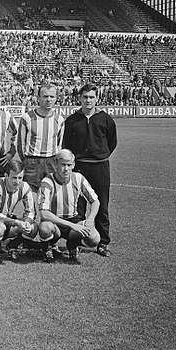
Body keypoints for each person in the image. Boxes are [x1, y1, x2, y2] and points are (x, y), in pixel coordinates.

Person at [63, 83, 117, 257]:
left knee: (101, 204)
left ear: (97, 98)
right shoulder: (72, 120)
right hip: (78, 167)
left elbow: (112, 142)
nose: (88, 100)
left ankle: (103, 243)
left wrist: (100, 154)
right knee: (77, 207)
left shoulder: (105, 119)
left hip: (100, 166)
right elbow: (66, 144)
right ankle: (74, 244)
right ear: (79, 98)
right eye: (85, 97)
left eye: (92, 97)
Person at [38, 149, 100, 265]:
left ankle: (73, 244)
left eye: (69, 165)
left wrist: (90, 219)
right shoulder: (47, 181)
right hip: (54, 222)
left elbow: (95, 201)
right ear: (56, 164)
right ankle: (48, 247)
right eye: (63, 164)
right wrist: (73, 226)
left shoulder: (78, 178)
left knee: (94, 239)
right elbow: (44, 213)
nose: (66, 168)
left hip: (73, 219)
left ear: (74, 165)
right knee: (45, 228)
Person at [0, 160, 38, 263]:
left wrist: (26, 223)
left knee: (33, 227)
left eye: (20, 178)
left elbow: (31, 211)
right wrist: (16, 222)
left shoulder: (24, 187)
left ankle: (13, 246)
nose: (17, 181)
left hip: (8, 220)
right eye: (14, 178)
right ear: (6, 175)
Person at [16, 84, 65, 193]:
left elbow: (59, 144)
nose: (49, 100)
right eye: (45, 96)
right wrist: (27, 161)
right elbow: (20, 144)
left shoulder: (59, 119)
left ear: (56, 98)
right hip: (32, 161)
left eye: (52, 97)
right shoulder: (27, 118)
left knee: (50, 195)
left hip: (51, 161)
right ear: (38, 98)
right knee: (30, 196)